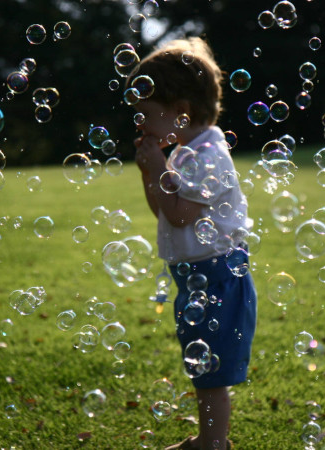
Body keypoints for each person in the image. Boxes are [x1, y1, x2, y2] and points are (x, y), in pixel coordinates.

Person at [126, 37, 257, 450]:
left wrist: (155, 166)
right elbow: (163, 210)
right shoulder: (185, 151)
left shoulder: (207, 155)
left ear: (180, 112)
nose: (140, 125)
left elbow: (181, 213)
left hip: (216, 277)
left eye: (145, 114)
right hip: (195, 278)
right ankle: (210, 439)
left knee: (211, 370)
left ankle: (213, 443)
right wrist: (151, 172)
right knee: (203, 366)